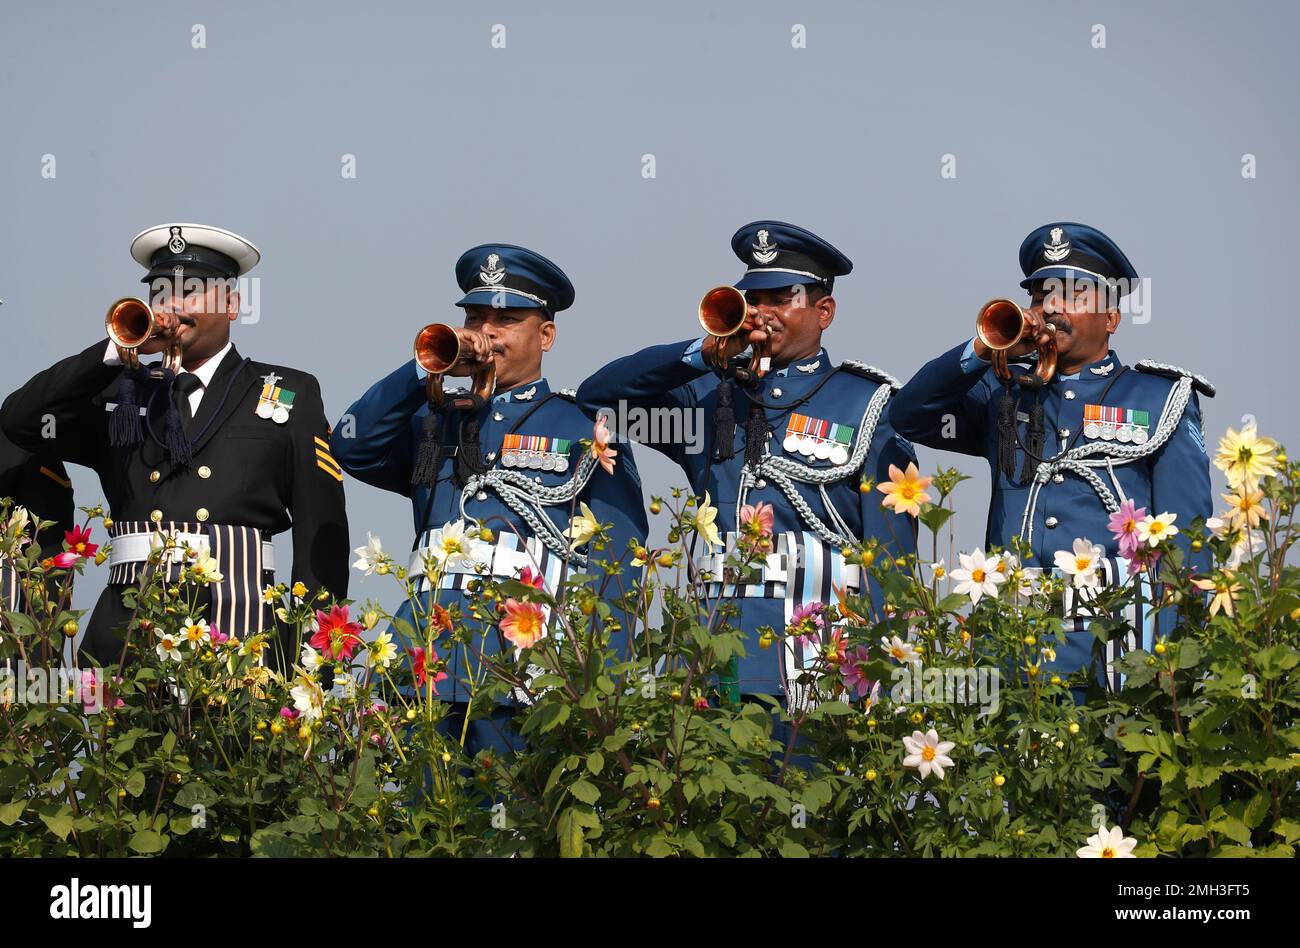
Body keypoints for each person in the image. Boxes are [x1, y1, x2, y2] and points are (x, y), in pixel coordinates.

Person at [577, 221, 918, 710]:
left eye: (781, 298)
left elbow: (891, 562)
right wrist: (702, 354)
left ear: (824, 311)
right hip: (712, 668)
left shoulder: (869, 405)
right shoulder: (708, 401)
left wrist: (889, 684)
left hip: (820, 673)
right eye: (752, 298)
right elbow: (600, 396)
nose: (761, 313)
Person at [331, 243, 647, 757]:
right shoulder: (432, 422)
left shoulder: (584, 428)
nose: (487, 332)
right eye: (476, 317)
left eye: (506, 319)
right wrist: (424, 369)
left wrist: (595, 688)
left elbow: (616, 566)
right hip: (427, 667)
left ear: (546, 335)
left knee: (512, 824)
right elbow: (351, 444)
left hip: (524, 674)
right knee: (420, 825)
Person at [0, 223, 349, 668]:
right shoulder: (120, 395)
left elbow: (322, 533)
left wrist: (308, 661)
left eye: (192, 292)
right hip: (126, 640)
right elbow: (20, 421)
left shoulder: (288, 392)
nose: (172, 307)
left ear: (232, 304)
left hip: (241, 637)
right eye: (161, 293)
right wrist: (114, 350)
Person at [889, 221, 1213, 689]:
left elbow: (1188, 543)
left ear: (1111, 318)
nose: (1052, 307)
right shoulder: (1002, 392)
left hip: (1115, 660)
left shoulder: (1159, 398)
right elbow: (911, 414)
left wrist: (1172, 673)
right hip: (1010, 655)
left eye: (1074, 294)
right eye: (1042, 295)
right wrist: (983, 349)